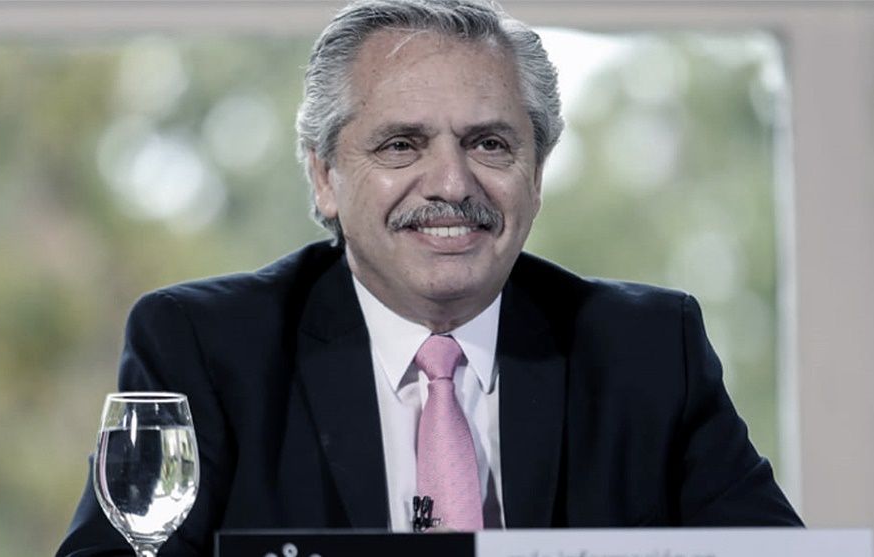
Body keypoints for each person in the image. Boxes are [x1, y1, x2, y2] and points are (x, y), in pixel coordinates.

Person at [57, 0, 802, 555]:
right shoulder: (206, 349)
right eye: (401, 145)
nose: (451, 183)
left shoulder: (647, 351)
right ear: (324, 177)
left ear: (536, 174)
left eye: (489, 143)